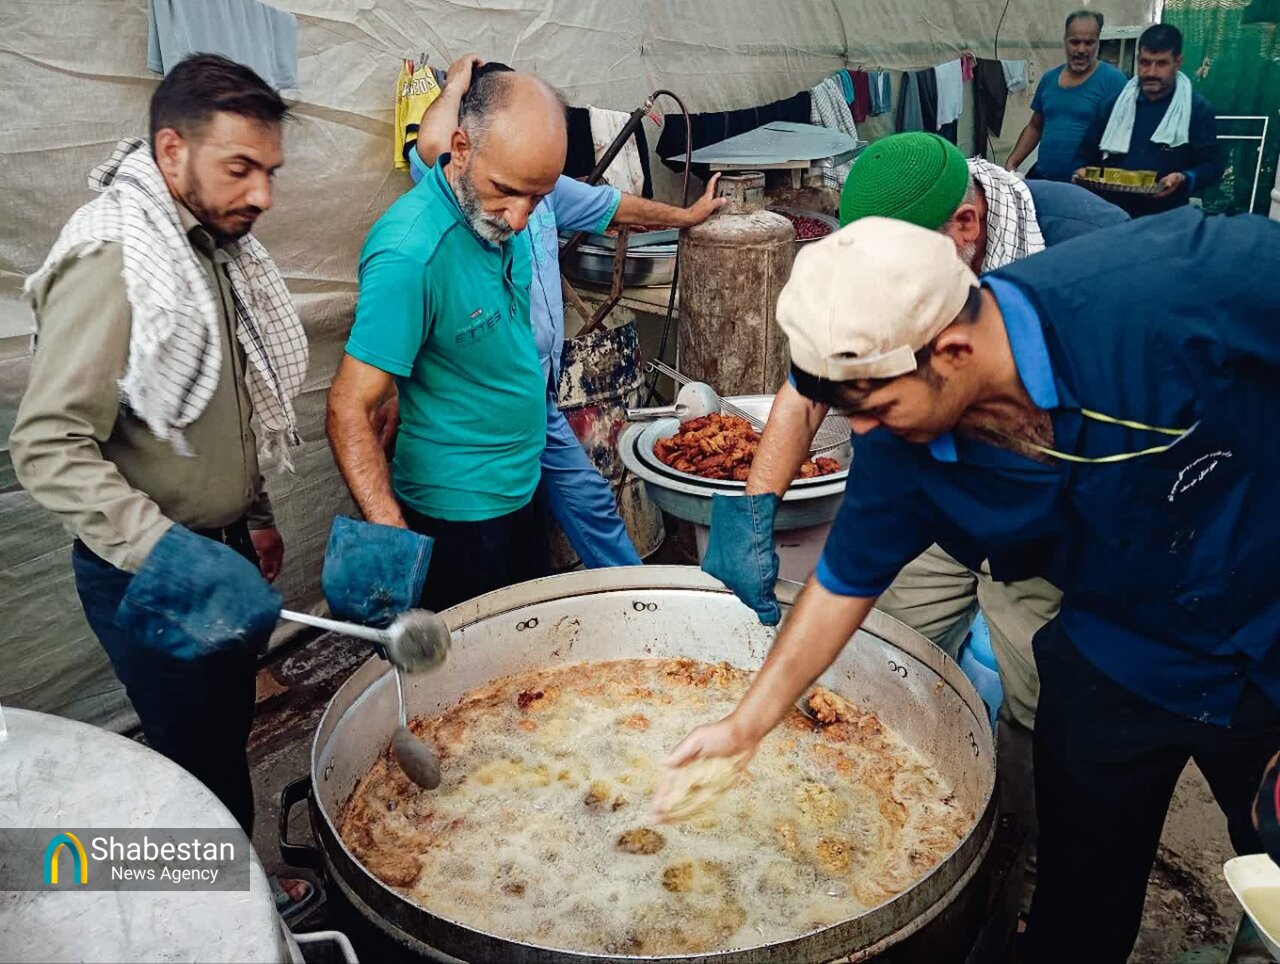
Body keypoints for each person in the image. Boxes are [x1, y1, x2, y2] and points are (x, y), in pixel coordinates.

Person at [668, 208, 1280, 964]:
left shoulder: (1175, 282)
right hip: (1114, 658)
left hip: (1267, 638)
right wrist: (745, 725)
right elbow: (842, 582)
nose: (865, 437)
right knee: (1075, 915)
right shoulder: (903, 445)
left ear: (952, 350)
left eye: (877, 408)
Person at [703, 130, 1127, 913]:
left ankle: (1016, 847)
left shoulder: (1086, 254)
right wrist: (755, 507)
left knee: (1039, 692)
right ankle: (883, 802)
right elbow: (808, 392)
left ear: (963, 229)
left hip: (1053, 512)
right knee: (897, 642)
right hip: (928, 475)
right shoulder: (882, 256)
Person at [9, 55, 314, 917]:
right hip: (152, 575)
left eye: (271, 172)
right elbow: (47, 443)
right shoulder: (117, 254)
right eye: (241, 169)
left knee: (222, 736)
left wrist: (251, 516)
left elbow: (228, 400)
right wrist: (170, 553)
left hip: (217, 554)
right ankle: (219, 916)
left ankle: (232, 891)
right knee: (195, 758)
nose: (263, 195)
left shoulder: (207, 246)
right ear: (171, 148)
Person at [404, 54, 725, 569]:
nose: (520, 208)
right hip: (486, 406)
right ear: (471, 142)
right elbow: (429, 142)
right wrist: (459, 81)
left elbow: (615, 205)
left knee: (588, 501)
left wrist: (686, 215)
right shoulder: (455, 179)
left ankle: (638, 598)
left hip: (538, 391)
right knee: (496, 545)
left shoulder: (544, 191)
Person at [1076, 24, 1223, 217]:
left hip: (1166, 217)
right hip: (1112, 215)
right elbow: (1084, 155)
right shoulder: (1113, 106)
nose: (1151, 72)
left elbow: (1213, 166)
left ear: (1178, 62)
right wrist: (1080, 171)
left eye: (1161, 63)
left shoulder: (1197, 110)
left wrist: (1185, 178)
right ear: (1137, 60)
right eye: (1145, 63)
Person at [1004, 10, 1127, 181]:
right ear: (1065, 41)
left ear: (1098, 42)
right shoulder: (1049, 79)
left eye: (1089, 42)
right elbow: (1035, 126)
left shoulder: (1114, 82)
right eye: (1074, 42)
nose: (1081, 50)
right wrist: (1012, 163)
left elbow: (1125, 136)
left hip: (1086, 188)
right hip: (1044, 179)